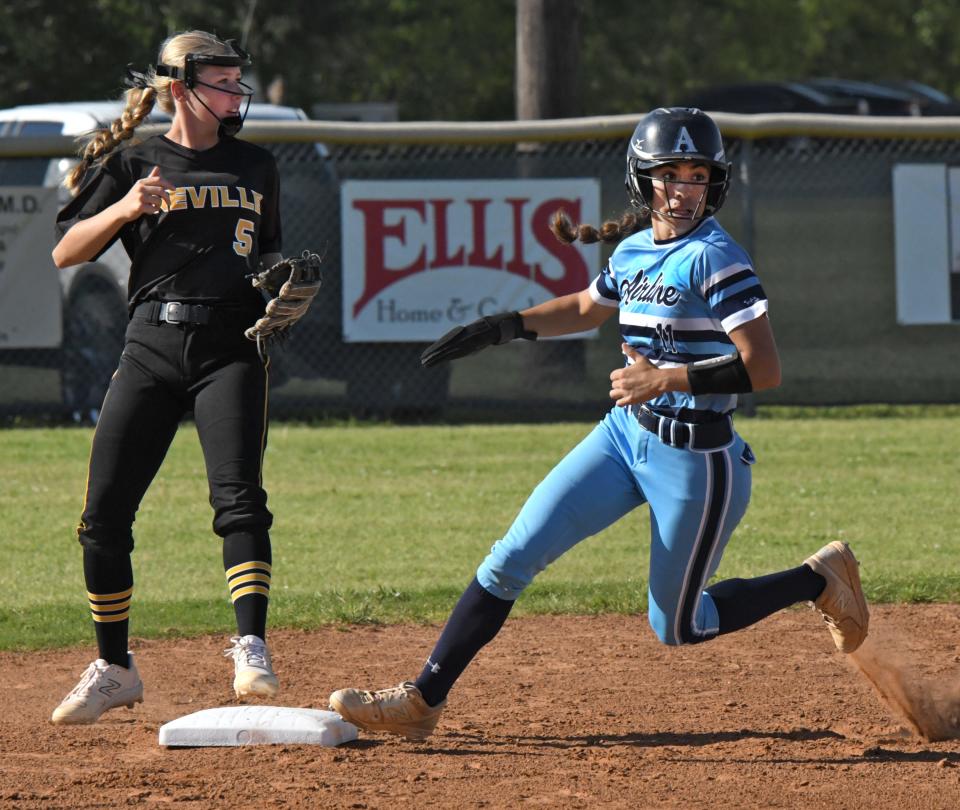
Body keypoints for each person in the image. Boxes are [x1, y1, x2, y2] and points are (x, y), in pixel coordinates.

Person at [329, 107, 869, 741]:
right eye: (671, 173)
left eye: (698, 174)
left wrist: (664, 378)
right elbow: (588, 308)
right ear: (643, 179)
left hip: (697, 460)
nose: (685, 188)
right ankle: (423, 699)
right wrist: (506, 326)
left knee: (678, 627)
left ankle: (817, 578)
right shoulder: (637, 247)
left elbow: (765, 368)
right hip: (624, 436)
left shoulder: (717, 258)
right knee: (510, 559)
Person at [51, 31, 290, 724]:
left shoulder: (258, 165)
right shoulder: (134, 160)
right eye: (223, 81)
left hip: (232, 346)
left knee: (239, 502)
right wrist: (128, 207)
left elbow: (267, 255)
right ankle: (114, 666)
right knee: (102, 517)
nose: (237, 92)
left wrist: (283, 290)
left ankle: (251, 644)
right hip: (151, 342)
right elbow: (66, 250)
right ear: (182, 88)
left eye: (239, 80)